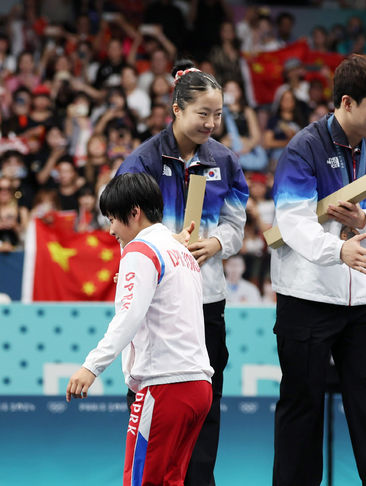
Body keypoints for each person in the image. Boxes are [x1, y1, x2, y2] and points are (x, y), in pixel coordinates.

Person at [270, 54, 366, 486]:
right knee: (301, 408)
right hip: (307, 298)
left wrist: (365, 222)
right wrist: (338, 250)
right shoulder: (304, 147)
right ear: (347, 103)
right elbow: (292, 220)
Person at [116, 60, 248, 486]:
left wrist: (216, 244)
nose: (211, 123)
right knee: (151, 407)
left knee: (203, 405)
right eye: (202, 113)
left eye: (218, 114)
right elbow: (119, 225)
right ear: (176, 110)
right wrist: (165, 242)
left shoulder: (225, 162)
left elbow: (236, 226)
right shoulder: (141, 162)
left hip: (207, 302)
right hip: (156, 306)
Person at [65, 172, 213, 485]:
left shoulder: (140, 251)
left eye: (112, 219)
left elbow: (128, 317)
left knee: (142, 481)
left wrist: (90, 367)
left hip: (164, 386)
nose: (110, 230)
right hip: (199, 387)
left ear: (134, 212)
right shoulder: (181, 253)